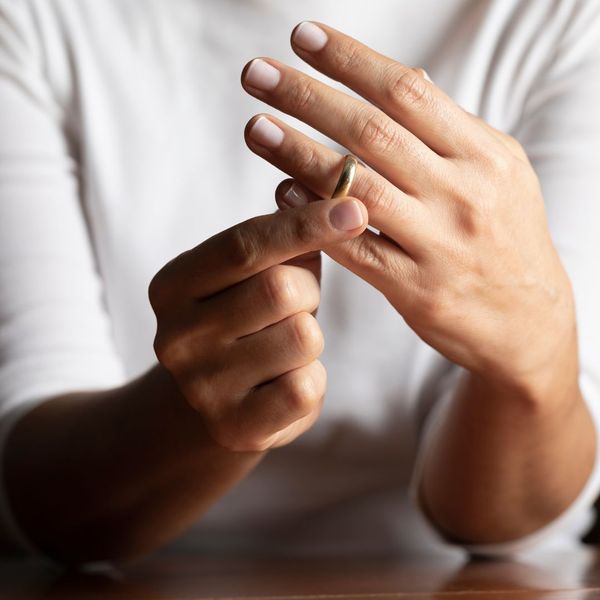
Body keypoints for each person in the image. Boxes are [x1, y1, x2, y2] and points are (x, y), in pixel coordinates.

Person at [0, 0, 599, 564]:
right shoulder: (32, 20)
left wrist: (533, 364)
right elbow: (36, 493)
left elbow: (502, 524)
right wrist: (203, 419)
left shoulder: (561, 20)